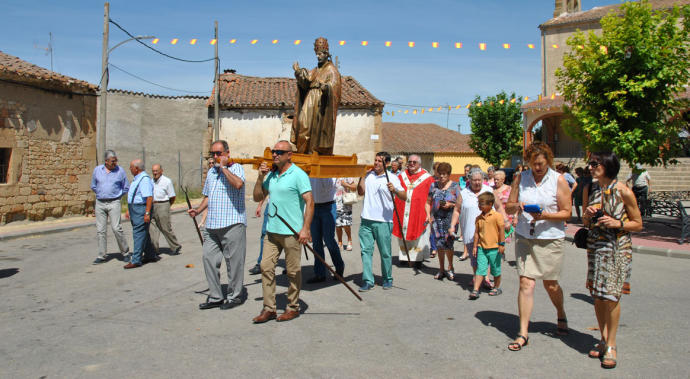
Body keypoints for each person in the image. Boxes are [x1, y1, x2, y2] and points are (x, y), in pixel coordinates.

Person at [505, 142, 572, 351]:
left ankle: (560, 312)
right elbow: (509, 205)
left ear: (548, 161)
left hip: (550, 238)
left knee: (550, 284)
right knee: (526, 283)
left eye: (541, 164)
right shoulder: (520, 178)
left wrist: (545, 215)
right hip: (525, 235)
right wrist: (519, 206)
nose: (537, 168)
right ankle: (523, 332)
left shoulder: (558, 180)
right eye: (533, 164)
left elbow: (567, 212)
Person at [584, 152, 642, 369]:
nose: (590, 167)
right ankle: (602, 337)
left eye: (594, 164)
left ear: (606, 165)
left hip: (617, 248)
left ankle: (611, 344)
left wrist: (618, 224)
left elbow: (638, 223)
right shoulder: (591, 189)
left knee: (611, 296)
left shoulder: (624, 191)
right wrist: (589, 216)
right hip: (596, 248)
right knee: (598, 296)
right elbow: (585, 221)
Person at [252, 140, 313, 323]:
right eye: (273, 151)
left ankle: (292, 306)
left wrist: (305, 228)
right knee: (266, 267)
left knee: (293, 272)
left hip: (292, 232)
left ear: (289, 155)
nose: (275, 154)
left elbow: (310, 201)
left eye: (279, 151)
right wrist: (260, 177)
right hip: (272, 231)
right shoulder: (271, 175)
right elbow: (257, 197)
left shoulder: (298, 175)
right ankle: (269, 308)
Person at [188, 140, 247, 310]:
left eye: (219, 153)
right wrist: (198, 211)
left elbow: (238, 184)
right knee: (208, 258)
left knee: (234, 263)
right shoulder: (212, 173)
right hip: (212, 225)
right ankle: (215, 296)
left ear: (227, 153)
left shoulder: (236, 168)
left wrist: (223, 168)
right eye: (212, 153)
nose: (215, 157)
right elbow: (208, 196)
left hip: (232, 223)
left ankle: (235, 296)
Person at [356, 152, 406, 291]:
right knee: (366, 251)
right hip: (366, 219)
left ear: (387, 163)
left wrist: (394, 189)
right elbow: (360, 192)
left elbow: (404, 196)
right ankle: (367, 280)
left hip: (384, 221)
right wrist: (361, 176)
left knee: (385, 252)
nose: (376, 163)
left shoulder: (393, 178)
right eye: (376, 160)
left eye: (380, 161)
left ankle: (387, 278)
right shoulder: (369, 176)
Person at [450, 168, 503, 284]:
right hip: (469, 230)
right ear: (469, 180)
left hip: (489, 231)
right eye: (474, 180)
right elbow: (457, 210)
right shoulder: (464, 193)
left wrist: (505, 221)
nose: (477, 182)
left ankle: (486, 278)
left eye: (479, 180)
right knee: (474, 257)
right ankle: (476, 276)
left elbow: (499, 207)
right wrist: (452, 225)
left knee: (487, 255)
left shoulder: (489, 190)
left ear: (483, 179)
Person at [291, 37, 341, 155]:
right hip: (310, 98)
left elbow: (335, 87)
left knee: (315, 129)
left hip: (321, 103)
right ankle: (302, 150)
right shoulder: (315, 70)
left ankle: (312, 151)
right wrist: (298, 71)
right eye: (317, 54)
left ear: (326, 54)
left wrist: (326, 87)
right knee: (303, 124)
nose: (318, 56)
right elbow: (305, 82)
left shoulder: (331, 70)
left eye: (320, 54)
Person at [392, 154, 435, 266]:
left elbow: (431, 197)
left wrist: (430, 213)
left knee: (419, 236)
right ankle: (404, 257)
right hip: (403, 210)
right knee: (403, 234)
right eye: (409, 162)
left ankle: (417, 258)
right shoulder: (401, 176)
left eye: (414, 162)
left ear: (419, 164)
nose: (411, 164)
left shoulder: (427, 178)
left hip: (418, 212)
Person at [90, 150, 130, 264]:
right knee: (100, 230)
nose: (115, 163)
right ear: (106, 161)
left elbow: (126, 187)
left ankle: (125, 252)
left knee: (116, 228)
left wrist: (118, 197)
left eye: (116, 160)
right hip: (100, 203)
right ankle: (102, 255)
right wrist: (101, 193)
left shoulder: (120, 171)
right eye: (113, 161)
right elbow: (93, 185)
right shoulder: (97, 170)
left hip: (114, 202)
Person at [306, 177, 344, 283]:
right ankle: (319, 273)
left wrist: (320, 173)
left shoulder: (329, 170)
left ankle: (339, 268)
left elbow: (328, 187)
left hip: (328, 206)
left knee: (329, 240)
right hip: (313, 206)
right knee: (316, 242)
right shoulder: (310, 171)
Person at [469, 192, 505, 299]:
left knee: (495, 269)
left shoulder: (497, 216)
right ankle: (475, 290)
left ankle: (496, 287)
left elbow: (501, 231)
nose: (479, 206)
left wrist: (501, 244)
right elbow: (476, 233)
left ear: (490, 204)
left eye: (482, 204)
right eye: (479, 204)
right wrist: (475, 246)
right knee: (480, 269)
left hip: (494, 248)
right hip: (482, 248)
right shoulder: (478, 218)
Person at [427, 162, 461, 280]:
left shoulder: (455, 187)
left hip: (450, 220)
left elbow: (460, 204)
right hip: (436, 220)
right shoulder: (433, 186)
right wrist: (428, 215)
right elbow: (428, 202)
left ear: (449, 174)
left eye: (444, 174)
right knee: (439, 245)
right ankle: (441, 269)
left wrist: (450, 204)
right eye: (440, 174)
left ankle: (450, 267)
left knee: (449, 244)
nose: (441, 177)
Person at [124, 159, 157, 269]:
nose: (130, 169)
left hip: (141, 209)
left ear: (137, 168)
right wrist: (130, 209)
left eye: (131, 167)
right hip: (135, 208)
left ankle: (136, 259)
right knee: (143, 232)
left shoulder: (144, 180)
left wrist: (147, 213)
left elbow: (149, 197)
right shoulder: (137, 179)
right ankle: (150, 254)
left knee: (138, 233)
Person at [149, 164, 182, 256]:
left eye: (156, 171)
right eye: (153, 171)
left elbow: (172, 196)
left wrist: (167, 206)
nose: (155, 173)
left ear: (161, 171)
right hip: (152, 205)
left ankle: (175, 245)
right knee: (152, 229)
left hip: (163, 204)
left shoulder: (167, 181)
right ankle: (154, 249)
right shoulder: (150, 181)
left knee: (165, 227)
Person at [248, 196, 270, 275]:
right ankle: (261, 264)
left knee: (287, 236)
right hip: (271, 206)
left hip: (287, 206)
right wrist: (260, 205)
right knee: (264, 234)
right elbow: (265, 189)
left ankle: (290, 265)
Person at [494, 170, 516, 243]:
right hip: (493, 218)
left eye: (498, 179)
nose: (495, 181)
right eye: (495, 179)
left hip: (506, 218)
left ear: (503, 180)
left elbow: (514, 203)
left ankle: (501, 254)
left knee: (502, 242)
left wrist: (515, 217)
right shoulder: (491, 189)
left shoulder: (509, 189)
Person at [335, 178, 357, 251]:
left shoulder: (347, 176)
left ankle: (349, 240)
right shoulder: (332, 176)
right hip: (335, 204)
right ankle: (340, 242)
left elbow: (354, 188)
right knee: (338, 225)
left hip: (346, 204)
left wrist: (346, 185)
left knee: (346, 225)